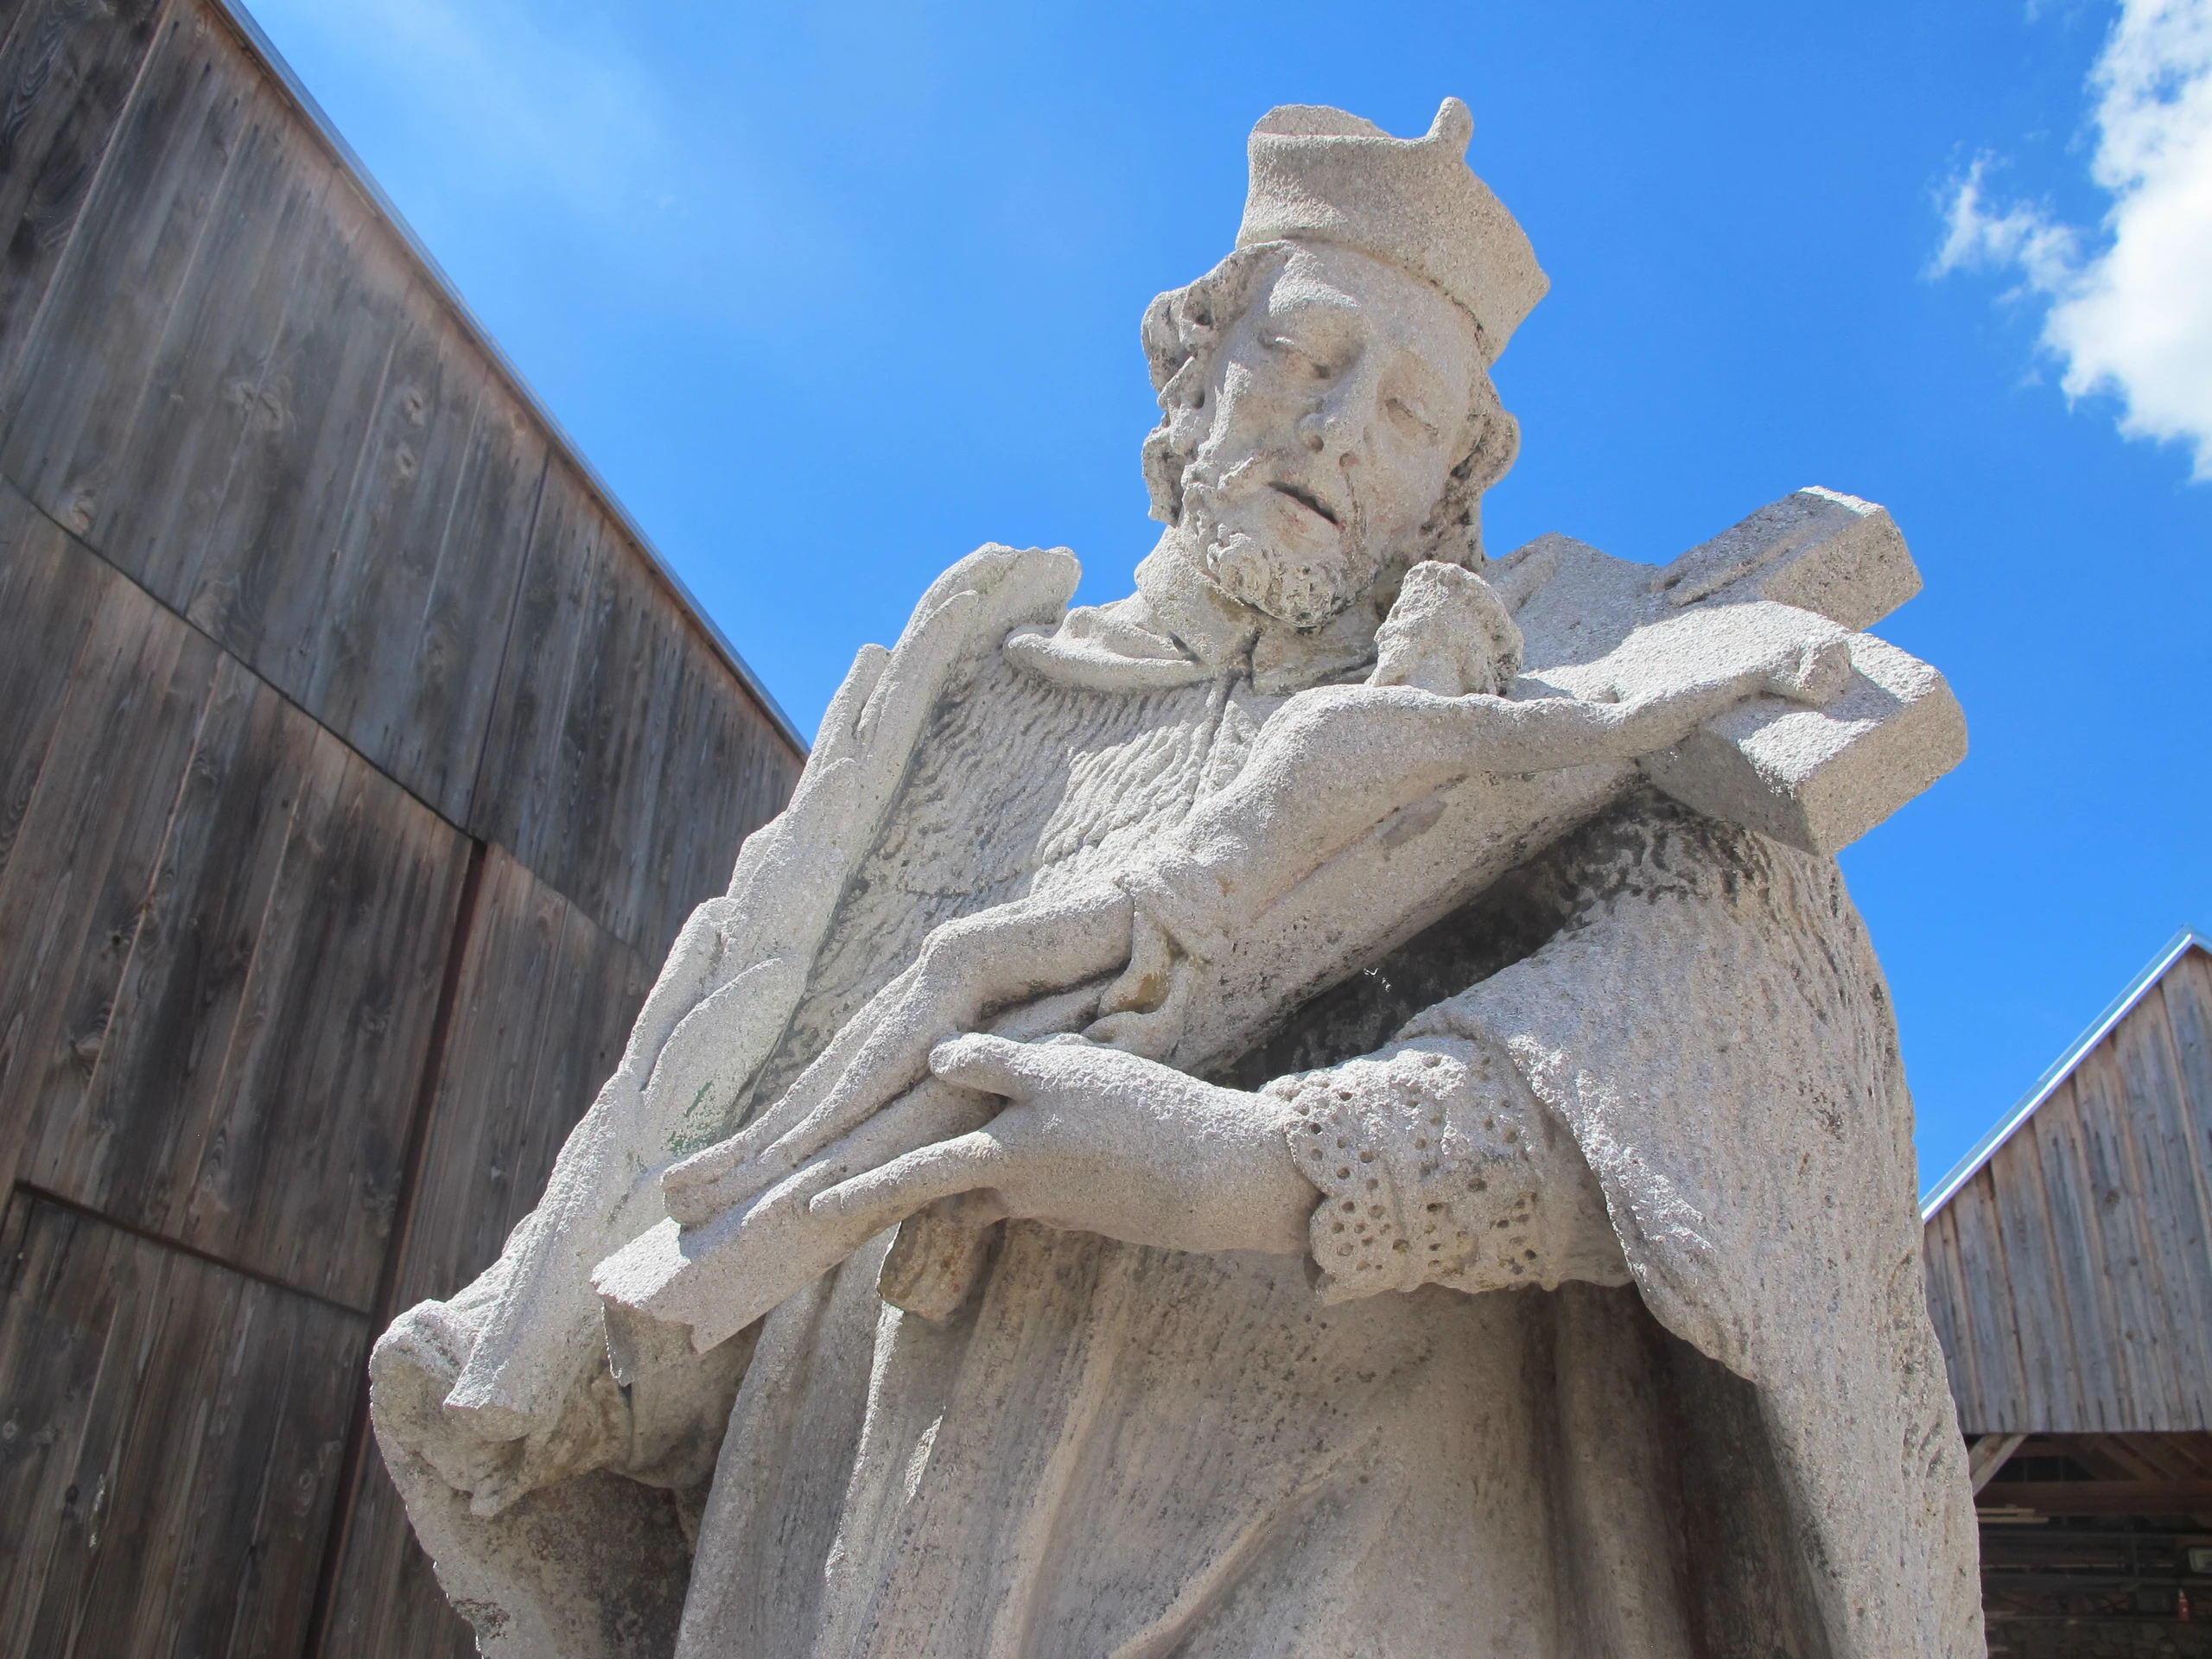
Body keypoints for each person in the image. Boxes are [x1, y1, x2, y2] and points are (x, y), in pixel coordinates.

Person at [372, 99, 1981, 1659]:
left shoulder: (1524, 718)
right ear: (1198, 367)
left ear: (1453, 489)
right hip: (855, 1514)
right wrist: (572, 1335)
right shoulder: (983, 691)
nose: (1339, 430)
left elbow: (1717, 1075)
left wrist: (1257, 1167)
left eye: (1408, 414)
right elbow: (746, 1073)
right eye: (1304, 353)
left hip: (1320, 1513)